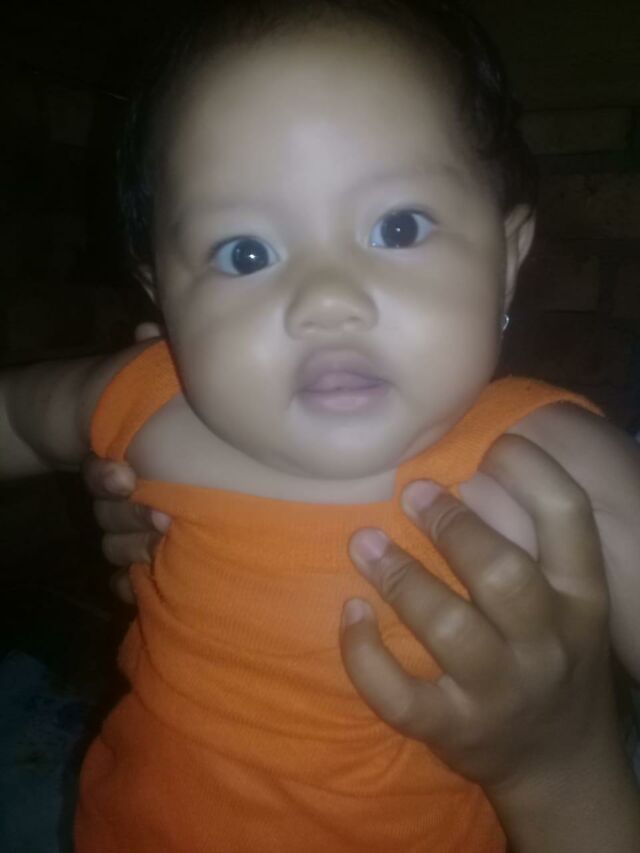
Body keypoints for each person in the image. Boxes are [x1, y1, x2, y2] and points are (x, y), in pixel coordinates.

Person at [1, 1, 639, 850]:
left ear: (508, 257)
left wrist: (567, 760)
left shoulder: (551, 468)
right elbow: (15, 415)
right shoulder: (144, 400)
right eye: (246, 253)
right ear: (163, 296)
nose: (326, 300)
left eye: (398, 227)